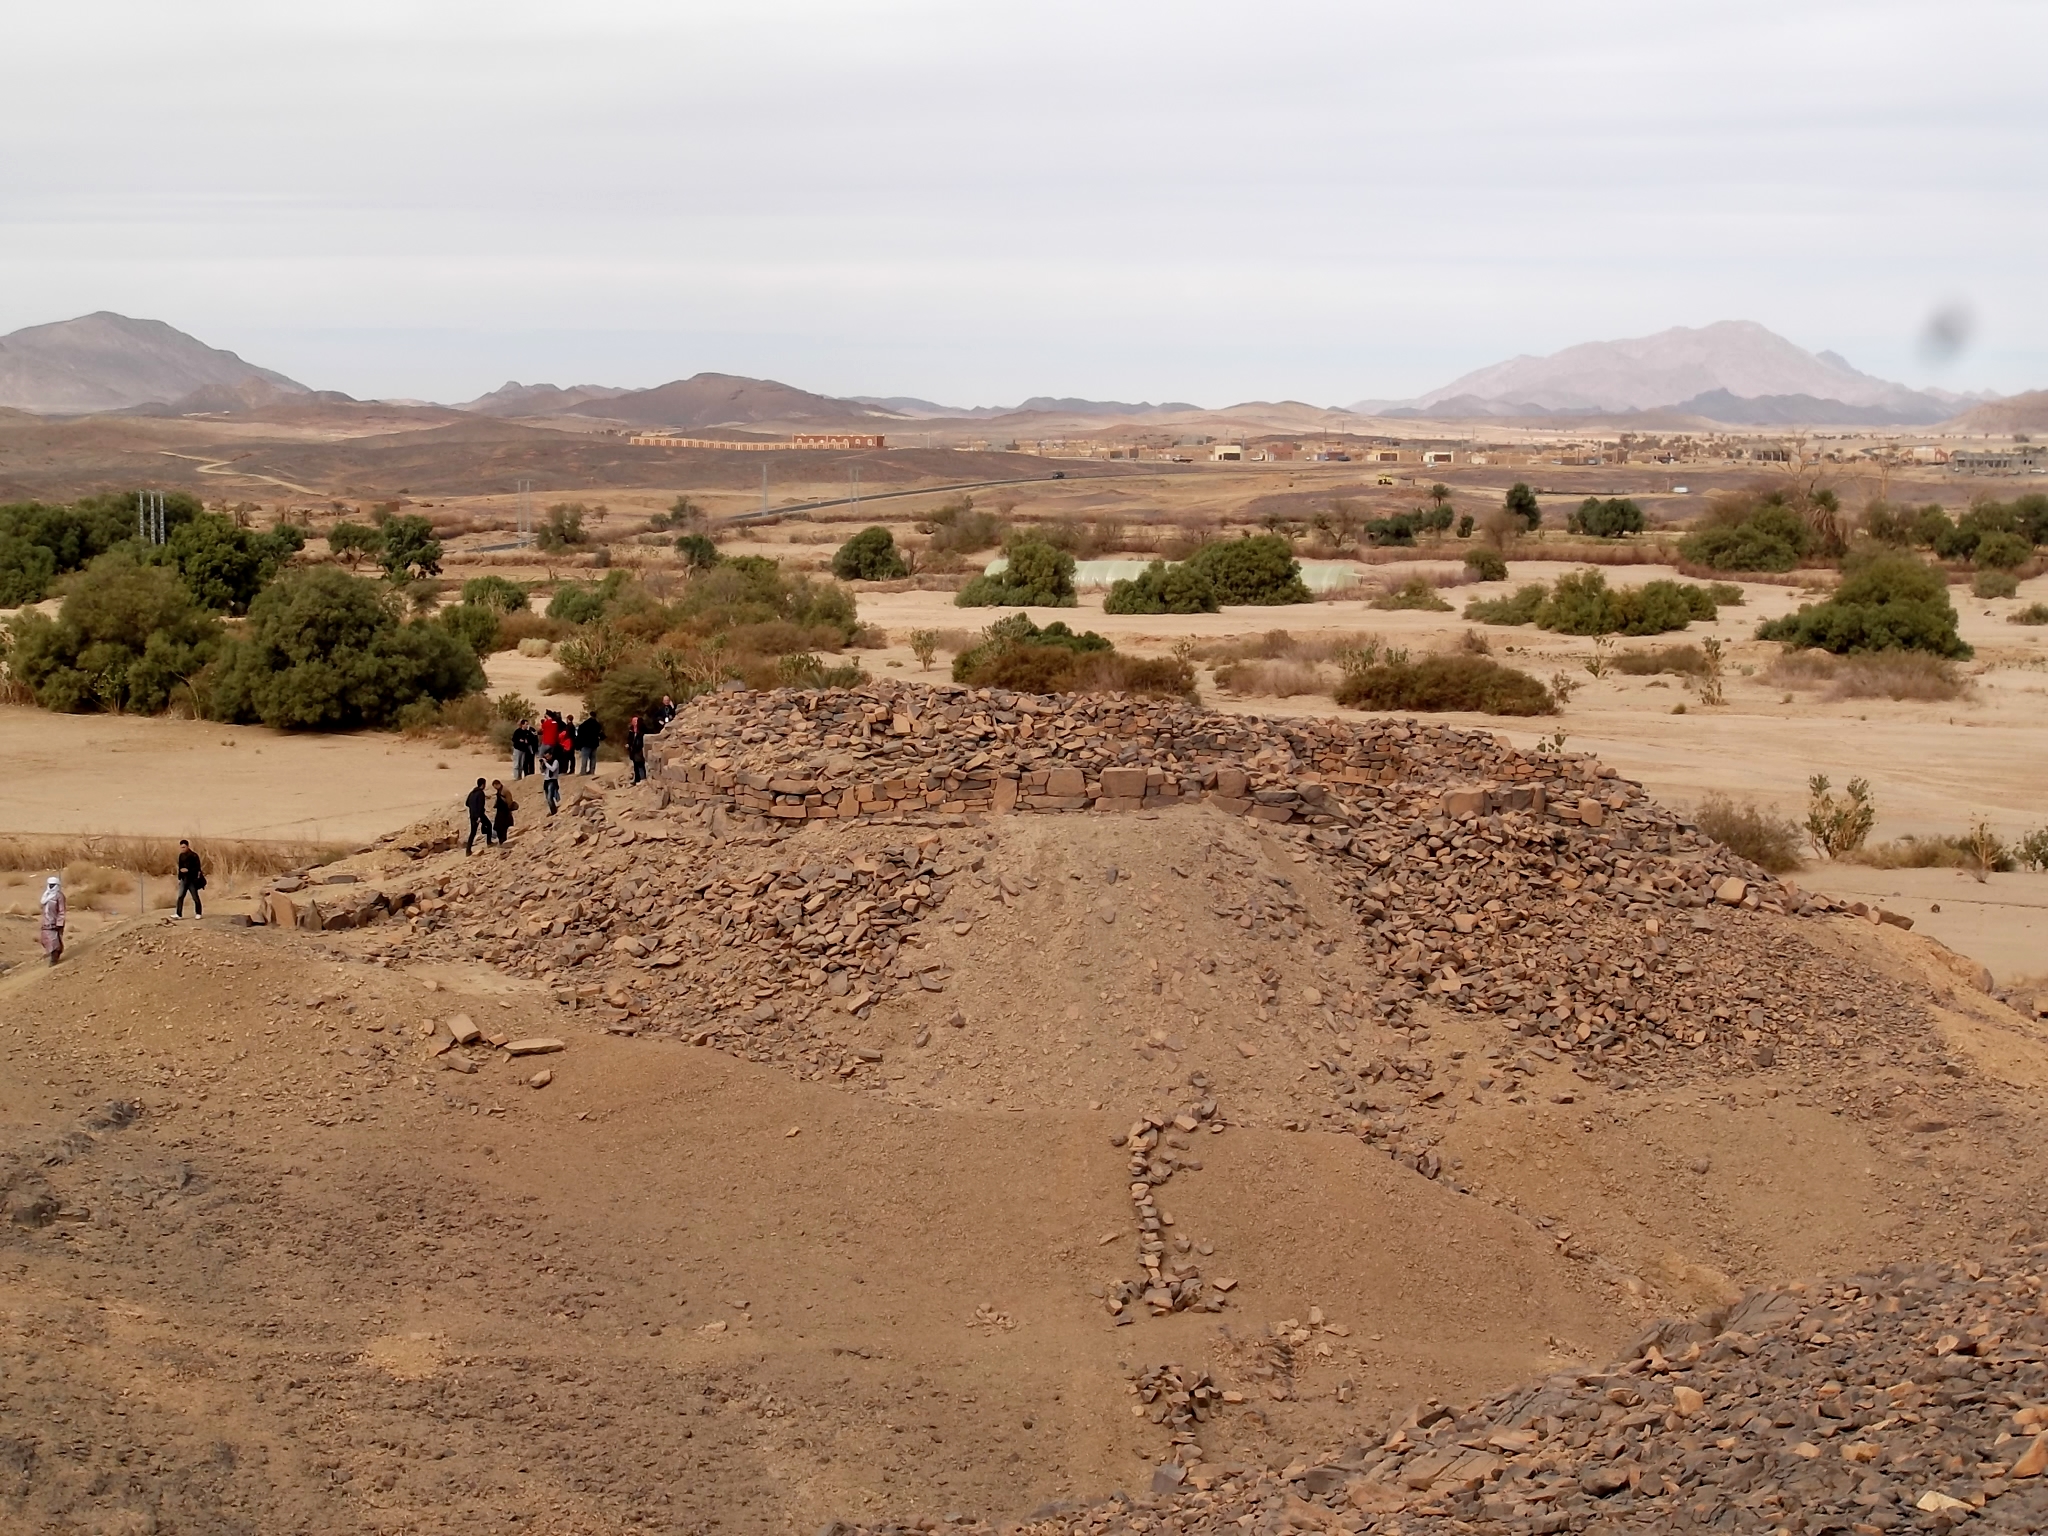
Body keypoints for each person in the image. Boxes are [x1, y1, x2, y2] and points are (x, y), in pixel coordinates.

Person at [175, 839, 206, 918]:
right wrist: (179, 878)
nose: (182, 849)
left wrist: (188, 870)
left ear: (188, 846)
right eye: (181, 847)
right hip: (183, 879)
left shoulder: (194, 856)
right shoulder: (181, 856)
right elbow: (180, 868)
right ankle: (178, 914)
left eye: (184, 847)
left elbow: (197, 868)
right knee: (180, 896)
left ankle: (198, 913)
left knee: (195, 897)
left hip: (192, 880)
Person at [39, 876, 66, 966]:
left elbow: (62, 910)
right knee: (45, 939)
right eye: (50, 885)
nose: (51, 887)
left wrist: (59, 923)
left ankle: (54, 958)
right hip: (46, 922)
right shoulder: (46, 895)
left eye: (53, 885)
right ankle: (53, 953)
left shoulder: (59, 896)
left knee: (54, 940)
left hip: (55, 922)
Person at [464, 777, 493, 854]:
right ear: (483, 784)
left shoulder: (472, 792)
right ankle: (489, 842)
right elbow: (480, 806)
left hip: (472, 815)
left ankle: (468, 850)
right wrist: (479, 817)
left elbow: (466, 803)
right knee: (489, 825)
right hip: (479, 815)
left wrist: (472, 807)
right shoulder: (480, 793)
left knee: (473, 832)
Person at [491, 779, 516, 844]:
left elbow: (509, 802)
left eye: (495, 786)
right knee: (498, 827)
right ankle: (501, 840)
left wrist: (509, 809)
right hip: (500, 812)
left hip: (505, 812)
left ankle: (504, 840)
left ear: (498, 784)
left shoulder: (505, 791)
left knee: (504, 827)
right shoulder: (499, 790)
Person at [539, 747, 561, 815]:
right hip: (546, 781)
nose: (547, 758)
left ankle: (554, 811)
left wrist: (545, 763)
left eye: (548, 756)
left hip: (552, 780)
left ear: (551, 755)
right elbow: (543, 772)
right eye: (546, 756)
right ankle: (552, 810)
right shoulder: (546, 763)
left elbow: (552, 769)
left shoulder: (555, 761)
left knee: (550, 797)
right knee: (547, 798)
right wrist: (542, 765)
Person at [626, 713, 647, 784]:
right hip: (633, 750)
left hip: (638, 750)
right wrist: (628, 744)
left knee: (640, 764)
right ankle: (637, 779)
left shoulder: (641, 731)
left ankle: (643, 779)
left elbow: (640, 741)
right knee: (635, 765)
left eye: (635, 722)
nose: (634, 723)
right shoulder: (631, 730)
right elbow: (629, 739)